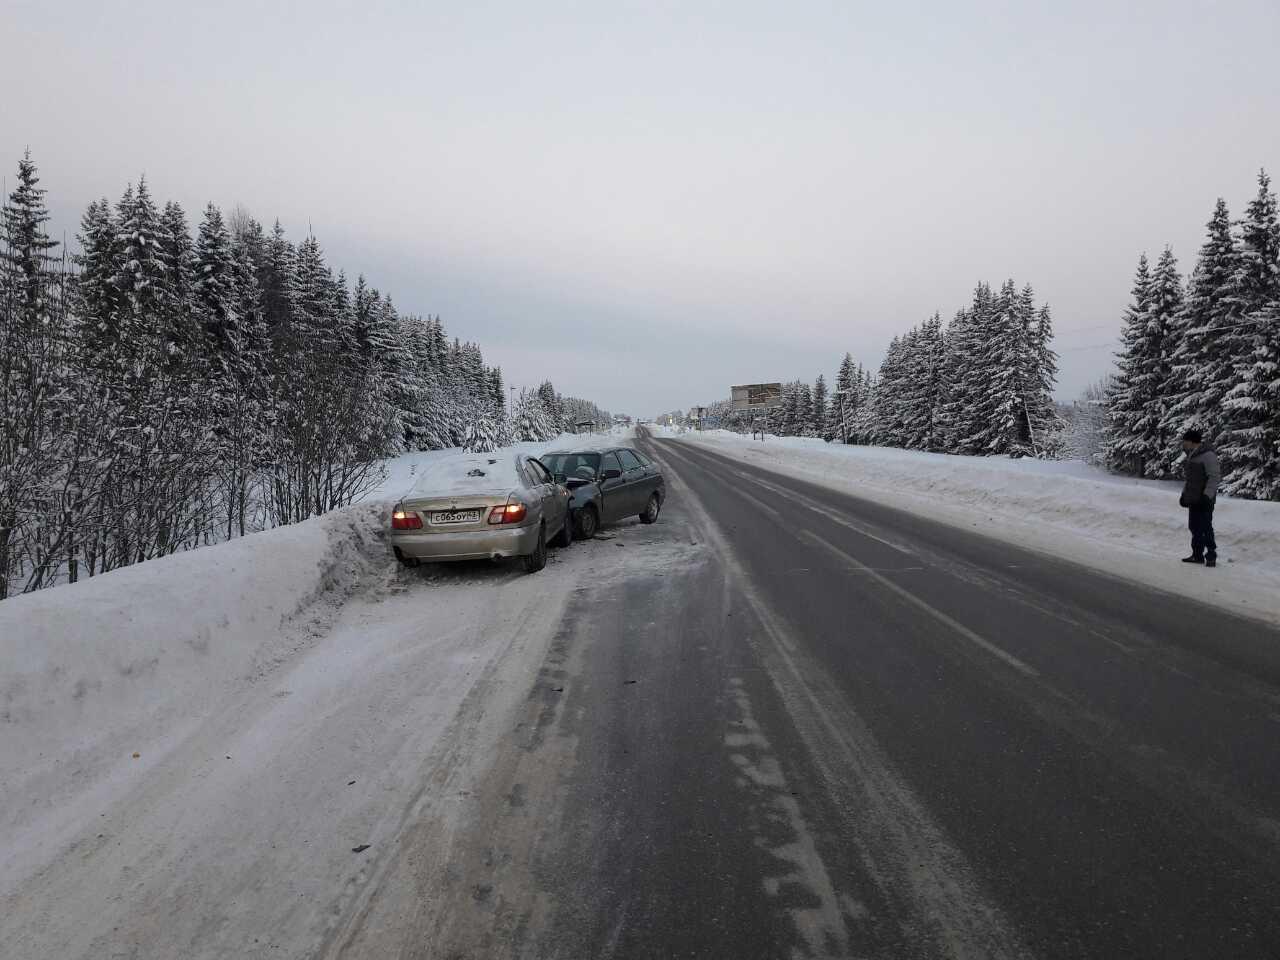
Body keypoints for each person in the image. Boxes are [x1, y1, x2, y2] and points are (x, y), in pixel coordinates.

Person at [1178, 429, 1220, 567]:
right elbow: (1190, 480)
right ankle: (1197, 555)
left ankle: (1211, 556)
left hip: (1205, 499)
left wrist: (1207, 496)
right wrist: (1184, 495)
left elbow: (1214, 477)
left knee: (1206, 527)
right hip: (1194, 498)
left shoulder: (1208, 455)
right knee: (1194, 527)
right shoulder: (1192, 455)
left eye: (1185, 441)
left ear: (1191, 441)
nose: (1183, 444)